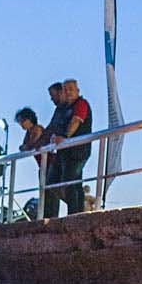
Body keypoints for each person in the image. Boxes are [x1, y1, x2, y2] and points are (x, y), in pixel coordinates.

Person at [42, 81, 92, 217]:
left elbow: (76, 121)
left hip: (78, 150)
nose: (68, 92)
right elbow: (53, 126)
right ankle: (79, 208)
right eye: (65, 90)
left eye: (71, 89)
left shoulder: (81, 104)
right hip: (63, 152)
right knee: (53, 182)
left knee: (71, 181)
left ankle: (75, 214)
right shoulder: (62, 109)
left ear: (78, 90)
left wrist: (64, 136)